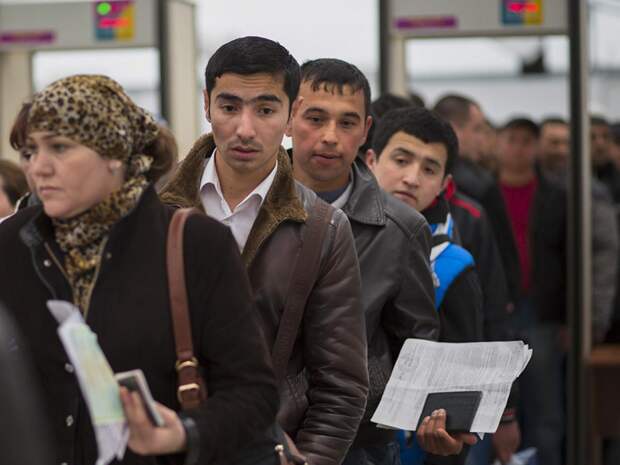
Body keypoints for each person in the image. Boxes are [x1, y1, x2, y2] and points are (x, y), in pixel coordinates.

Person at [0, 74, 279, 465]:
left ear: (113, 152)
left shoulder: (193, 244)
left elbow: (254, 393)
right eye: (29, 152)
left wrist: (183, 432)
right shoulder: (11, 247)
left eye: (59, 148)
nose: (38, 168)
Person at [160, 37, 369, 465]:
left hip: (270, 447)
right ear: (206, 105)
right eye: (229, 106)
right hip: (165, 445)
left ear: (291, 114)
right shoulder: (153, 212)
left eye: (266, 109)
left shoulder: (323, 228)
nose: (245, 129)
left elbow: (341, 386)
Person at [288, 58, 440, 465]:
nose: (330, 137)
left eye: (347, 123)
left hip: (360, 441)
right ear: (287, 117)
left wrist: (425, 414)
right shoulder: (245, 209)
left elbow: (417, 339)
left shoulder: (400, 228)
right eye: (314, 118)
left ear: (367, 131)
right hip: (257, 430)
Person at [366, 105, 484, 465]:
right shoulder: (331, 235)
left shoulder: (453, 266)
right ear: (371, 160)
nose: (412, 178)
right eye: (400, 160)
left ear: (444, 184)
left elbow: (460, 390)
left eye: (429, 168)